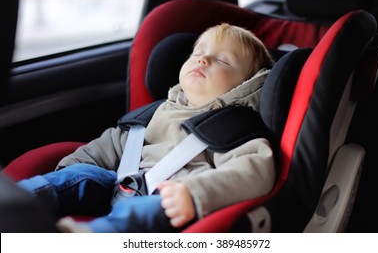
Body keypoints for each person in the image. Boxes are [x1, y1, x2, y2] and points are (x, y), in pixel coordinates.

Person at [18, 23, 276, 233]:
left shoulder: (236, 129)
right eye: (198, 53)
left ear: (248, 84)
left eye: (222, 60)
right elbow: (114, 143)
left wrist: (194, 193)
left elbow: (254, 170)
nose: (203, 60)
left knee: (143, 211)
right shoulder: (157, 111)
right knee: (81, 174)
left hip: (170, 201)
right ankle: (18, 205)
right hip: (121, 184)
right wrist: (75, 165)